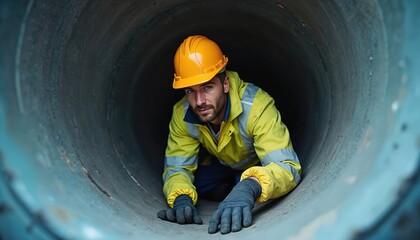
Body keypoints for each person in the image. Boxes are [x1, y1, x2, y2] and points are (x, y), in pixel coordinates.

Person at [157, 35, 301, 234]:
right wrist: (181, 197)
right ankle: (230, 188)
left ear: (225, 85)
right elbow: (177, 167)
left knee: (257, 189)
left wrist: (250, 186)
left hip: (255, 166)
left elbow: (288, 168)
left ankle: (239, 186)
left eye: (207, 87)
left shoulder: (257, 107)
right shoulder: (182, 114)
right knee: (195, 184)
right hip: (220, 165)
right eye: (190, 91)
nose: (199, 101)